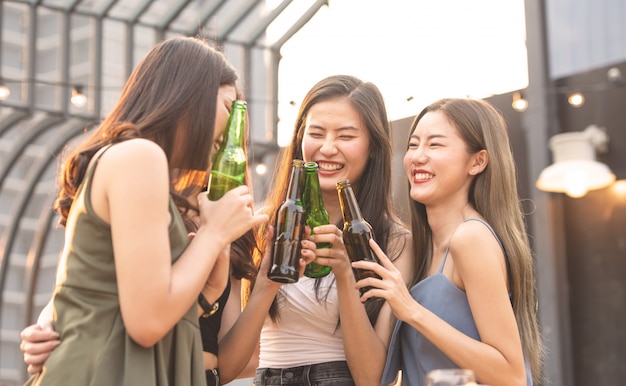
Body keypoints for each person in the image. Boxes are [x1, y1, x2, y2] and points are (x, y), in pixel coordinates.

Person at [20, 36, 268, 385]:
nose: (233, 132)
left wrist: (208, 294)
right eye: (230, 108)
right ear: (189, 97)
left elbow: (124, 305)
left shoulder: (136, 163)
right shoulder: (140, 156)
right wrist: (213, 235)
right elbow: (147, 323)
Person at [225, 74, 415, 386]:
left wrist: (344, 273)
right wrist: (266, 282)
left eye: (346, 136)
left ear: (373, 147)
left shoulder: (394, 242)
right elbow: (232, 365)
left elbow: (373, 378)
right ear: (300, 139)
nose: (327, 148)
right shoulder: (261, 227)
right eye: (316, 133)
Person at [352, 98, 543, 386]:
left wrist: (413, 312)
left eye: (435, 145)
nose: (417, 156)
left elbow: (512, 375)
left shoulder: (471, 239)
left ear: (477, 162)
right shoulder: (419, 249)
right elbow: (374, 377)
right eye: (414, 144)